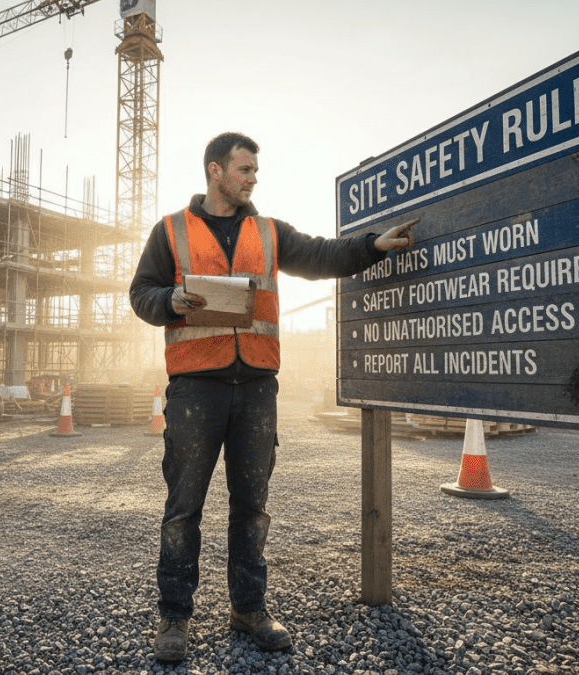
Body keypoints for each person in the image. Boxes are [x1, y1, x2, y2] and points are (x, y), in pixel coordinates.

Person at [129, 132, 418, 662]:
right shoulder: (170, 231)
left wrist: (371, 246)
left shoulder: (268, 231)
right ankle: (174, 617)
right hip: (195, 387)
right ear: (215, 171)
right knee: (183, 508)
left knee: (252, 506)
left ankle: (249, 608)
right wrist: (169, 299)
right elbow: (140, 294)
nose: (252, 177)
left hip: (257, 386)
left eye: (254, 170)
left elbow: (323, 254)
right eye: (244, 169)